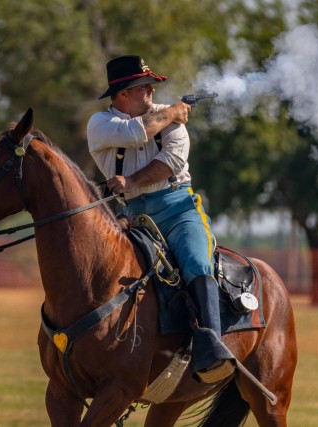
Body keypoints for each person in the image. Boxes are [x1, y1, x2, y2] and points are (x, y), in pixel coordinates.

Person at [86, 55, 234, 383]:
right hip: (132, 215)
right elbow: (137, 134)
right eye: (144, 87)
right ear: (123, 94)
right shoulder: (101, 124)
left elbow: (171, 163)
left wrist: (132, 182)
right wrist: (171, 112)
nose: (152, 91)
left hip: (178, 209)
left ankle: (212, 346)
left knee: (197, 261)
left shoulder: (171, 120)